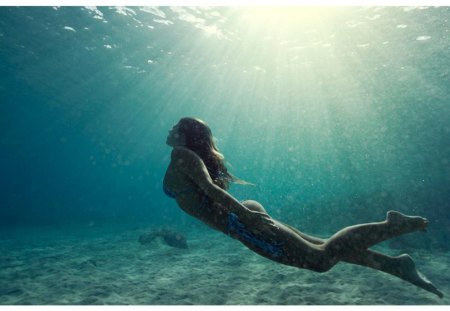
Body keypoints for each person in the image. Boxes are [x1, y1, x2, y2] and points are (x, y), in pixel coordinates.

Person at [163, 117, 443, 298]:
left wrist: (248, 217)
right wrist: (247, 214)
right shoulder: (184, 156)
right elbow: (207, 192)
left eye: (175, 127)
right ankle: (395, 265)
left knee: (320, 260)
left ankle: (392, 225)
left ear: (185, 135)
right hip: (242, 217)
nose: (170, 129)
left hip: (240, 221)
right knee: (322, 245)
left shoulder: (181, 154)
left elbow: (211, 189)